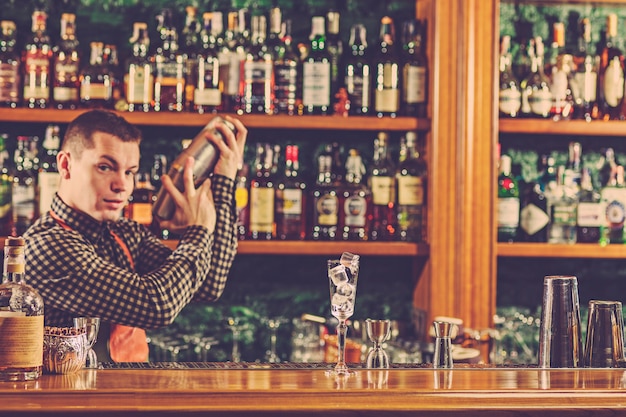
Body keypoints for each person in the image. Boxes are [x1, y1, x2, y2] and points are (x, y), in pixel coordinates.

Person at [24, 110, 247, 362]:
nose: (121, 185)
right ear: (66, 165)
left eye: (130, 172)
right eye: (106, 167)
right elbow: (156, 307)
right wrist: (197, 232)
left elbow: (208, 285)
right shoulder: (47, 246)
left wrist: (225, 181)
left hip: (131, 392)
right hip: (72, 397)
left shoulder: (125, 233)